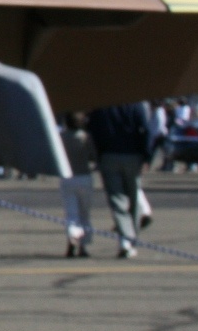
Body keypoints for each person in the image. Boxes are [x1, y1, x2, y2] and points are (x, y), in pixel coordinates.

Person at [87, 101, 154, 258]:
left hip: (108, 155)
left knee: (117, 201)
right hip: (133, 155)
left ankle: (125, 238)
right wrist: (147, 156)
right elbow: (146, 130)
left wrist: (97, 155)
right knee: (134, 197)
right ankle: (131, 238)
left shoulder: (101, 107)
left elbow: (93, 131)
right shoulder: (136, 105)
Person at [58, 115, 98, 258]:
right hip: (84, 176)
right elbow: (93, 156)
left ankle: (72, 238)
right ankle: (83, 245)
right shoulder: (85, 137)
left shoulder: (61, 137)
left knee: (71, 213)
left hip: (68, 177)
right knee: (84, 214)